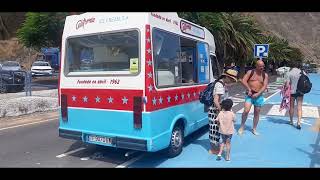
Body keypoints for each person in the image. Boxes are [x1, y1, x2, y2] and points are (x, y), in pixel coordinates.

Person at [208, 69, 238, 154]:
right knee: (215, 129)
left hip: (218, 109)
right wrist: (222, 112)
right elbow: (216, 101)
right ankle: (213, 149)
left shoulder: (221, 83)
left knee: (217, 129)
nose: (232, 81)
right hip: (216, 110)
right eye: (231, 79)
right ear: (226, 77)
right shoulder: (220, 85)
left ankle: (216, 148)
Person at [238, 60, 269, 136]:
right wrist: (248, 89)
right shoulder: (250, 72)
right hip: (250, 95)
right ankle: (242, 127)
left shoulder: (265, 75)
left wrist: (258, 94)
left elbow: (264, 86)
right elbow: (244, 80)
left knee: (257, 112)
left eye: (263, 66)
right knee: (246, 110)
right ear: (256, 66)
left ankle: (254, 128)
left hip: (259, 96)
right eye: (260, 66)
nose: (262, 68)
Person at [286, 63, 306, 129]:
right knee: (299, 107)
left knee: (291, 107)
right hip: (300, 92)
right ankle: (299, 122)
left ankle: (291, 121)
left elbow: (287, 85)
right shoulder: (302, 72)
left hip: (292, 92)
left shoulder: (289, 73)